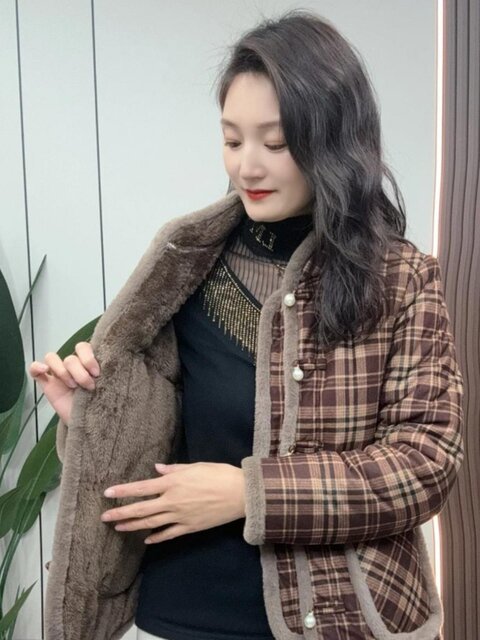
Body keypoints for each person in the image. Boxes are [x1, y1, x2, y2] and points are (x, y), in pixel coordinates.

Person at [30, 9, 464, 640]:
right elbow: (159, 456)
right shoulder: (185, 264)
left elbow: (425, 463)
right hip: (179, 612)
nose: (247, 168)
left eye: (275, 143)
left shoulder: (401, 279)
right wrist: (96, 417)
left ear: (334, 142)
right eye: (232, 141)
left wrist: (248, 493)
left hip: (340, 617)